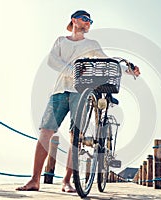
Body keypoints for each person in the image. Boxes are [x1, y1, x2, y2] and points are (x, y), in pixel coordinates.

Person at [16, 10, 140, 192]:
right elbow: (52, 61)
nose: (88, 23)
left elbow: (107, 62)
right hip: (59, 91)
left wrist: (129, 70)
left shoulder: (92, 44)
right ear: (74, 20)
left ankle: (67, 181)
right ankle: (35, 179)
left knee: (77, 136)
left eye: (90, 21)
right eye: (85, 19)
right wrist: (72, 70)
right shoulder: (60, 41)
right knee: (45, 132)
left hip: (80, 92)